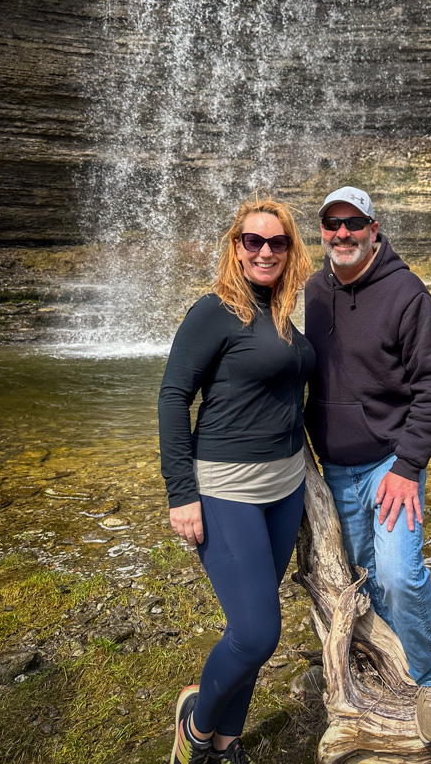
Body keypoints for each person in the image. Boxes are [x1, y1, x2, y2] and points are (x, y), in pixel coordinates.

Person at [159, 196, 315, 764]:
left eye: (277, 242)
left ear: (291, 249)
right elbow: (174, 397)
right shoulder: (214, 310)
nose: (266, 250)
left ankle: (228, 743)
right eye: (254, 241)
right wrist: (182, 494)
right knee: (256, 633)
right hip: (228, 490)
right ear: (236, 248)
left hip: (285, 490)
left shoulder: (282, 310)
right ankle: (196, 729)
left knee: (251, 625)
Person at [304, 185, 431, 745]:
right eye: (331, 224)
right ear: (322, 230)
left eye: (353, 224)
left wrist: (409, 465)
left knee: (398, 572)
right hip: (334, 466)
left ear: (373, 228)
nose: (342, 234)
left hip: (390, 464)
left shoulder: (407, 292)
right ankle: (387, 662)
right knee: (361, 574)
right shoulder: (313, 291)